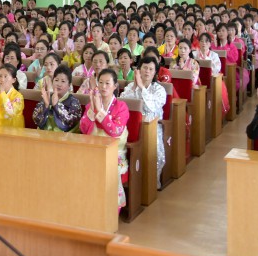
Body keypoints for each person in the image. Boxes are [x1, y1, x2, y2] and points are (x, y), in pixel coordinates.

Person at [79, 69, 130, 210]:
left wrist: (100, 112)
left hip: (114, 151)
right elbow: (83, 128)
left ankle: (111, 211)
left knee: (110, 168)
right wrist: (92, 110)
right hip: (94, 148)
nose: (103, 86)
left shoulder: (122, 107)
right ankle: (88, 207)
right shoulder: (92, 104)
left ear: (115, 86)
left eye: (107, 83)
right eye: (100, 83)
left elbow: (115, 131)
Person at [120, 56, 167, 187]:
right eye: (144, 68)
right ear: (139, 70)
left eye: (150, 69)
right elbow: (122, 103)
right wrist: (135, 87)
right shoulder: (131, 86)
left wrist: (142, 88)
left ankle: (151, 184)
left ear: (155, 72)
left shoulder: (159, 90)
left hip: (152, 128)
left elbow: (152, 106)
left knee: (156, 154)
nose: (147, 71)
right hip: (131, 126)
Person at [32, 64, 82, 132]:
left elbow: (71, 122)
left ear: (69, 85)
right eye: (56, 80)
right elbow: (36, 119)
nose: (59, 84)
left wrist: (56, 106)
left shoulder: (74, 102)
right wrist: (45, 106)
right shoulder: (48, 97)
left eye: (63, 81)